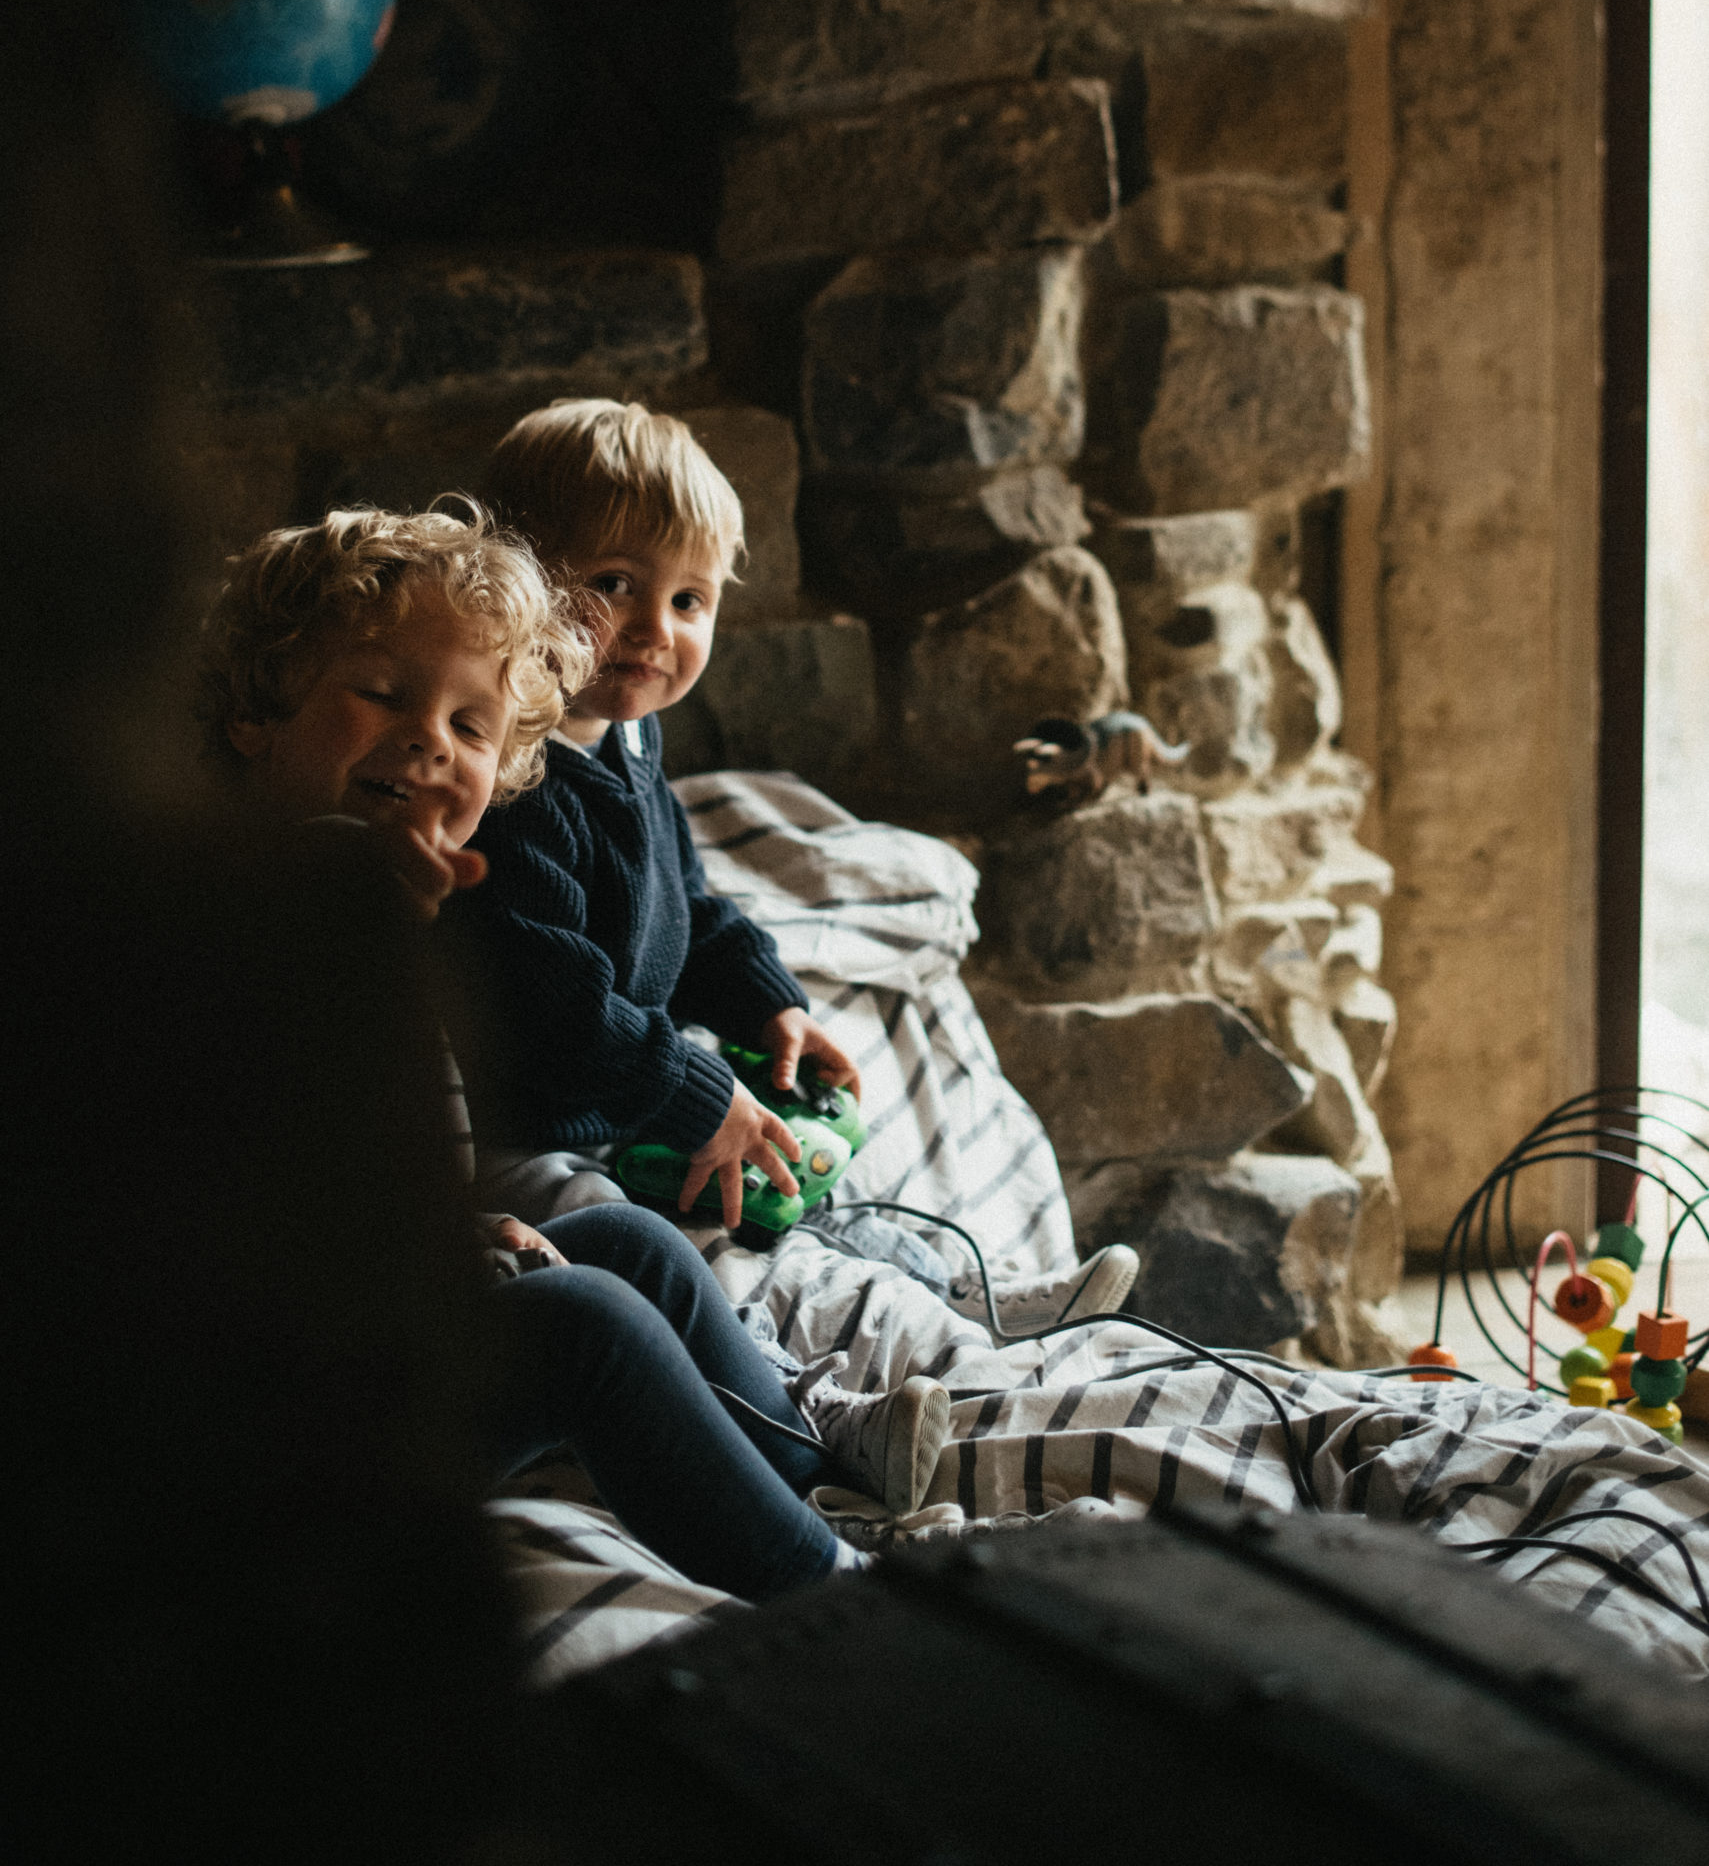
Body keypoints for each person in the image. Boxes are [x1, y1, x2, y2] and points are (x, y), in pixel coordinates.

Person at [198, 501, 952, 1600]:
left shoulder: (372, 923)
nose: (428, 740)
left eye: (471, 728)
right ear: (256, 714)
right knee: (585, 1325)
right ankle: (838, 1596)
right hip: (269, 1438)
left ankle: (807, 1489)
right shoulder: (243, 925)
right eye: (384, 695)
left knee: (628, 1244)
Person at [476, 398, 1138, 1334]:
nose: (656, 629)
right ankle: (835, 1373)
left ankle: (959, 1298)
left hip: (633, 1096)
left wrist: (766, 1003)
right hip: (544, 1133)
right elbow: (558, 1012)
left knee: (802, 1170)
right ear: (510, 582)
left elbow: (685, 907)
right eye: (614, 583)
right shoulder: (509, 785)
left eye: (688, 601)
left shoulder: (630, 741)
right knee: (683, 1251)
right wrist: (696, 1093)